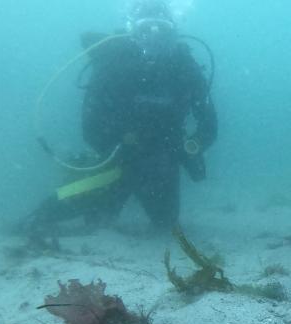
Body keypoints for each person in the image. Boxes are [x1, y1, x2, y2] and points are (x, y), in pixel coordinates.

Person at [21, 0, 216, 233]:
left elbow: (209, 125)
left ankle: (118, 199)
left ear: (173, 33)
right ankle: (55, 213)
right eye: (145, 29)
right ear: (134, 32)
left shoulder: (186, 68)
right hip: (118, 159)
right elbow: (90, 127)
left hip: (163, 160)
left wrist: (190, 146)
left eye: (162, 30)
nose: (154, 37)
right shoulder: (113, 65)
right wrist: (124, 141)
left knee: (165, 222)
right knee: (93, 214)